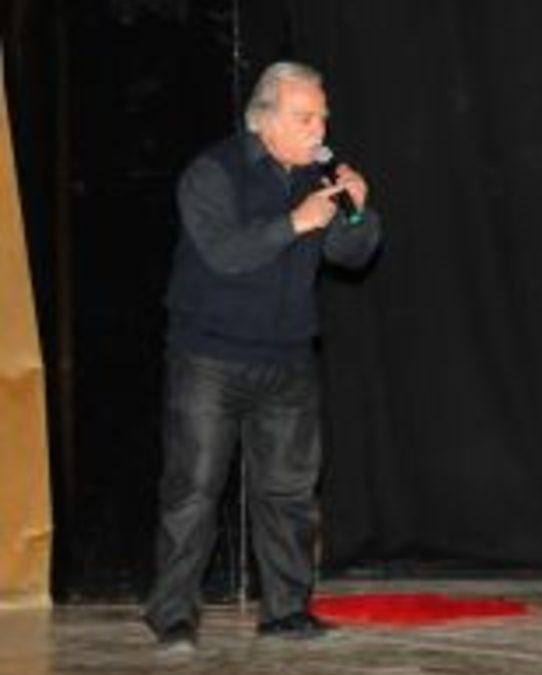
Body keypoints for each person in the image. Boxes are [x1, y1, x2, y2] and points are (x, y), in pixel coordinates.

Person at [143, 61, 382, 650]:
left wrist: (357, 210)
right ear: (264, 120)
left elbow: (352, 256)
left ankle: (286, 612)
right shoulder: (213, 172)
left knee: (288, 493)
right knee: (193, 490)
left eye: (322, 117)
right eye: (305, 118)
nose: (320, 130)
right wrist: (295, 222)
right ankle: (173, 616)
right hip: (210, 357)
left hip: (289, 359)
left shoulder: (318, 174)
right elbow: (224, 254)